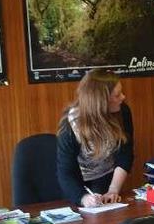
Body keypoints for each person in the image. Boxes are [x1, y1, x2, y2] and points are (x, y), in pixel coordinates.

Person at [57, 69, 134, 207]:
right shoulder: (71, 124)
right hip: (79, 183)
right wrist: (83, 198)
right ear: (101, 102)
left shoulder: (122, 111)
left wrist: (113, 189)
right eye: (117, 95)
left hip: (107, 177)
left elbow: (126, 153)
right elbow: (65, 171)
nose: (123, 97)